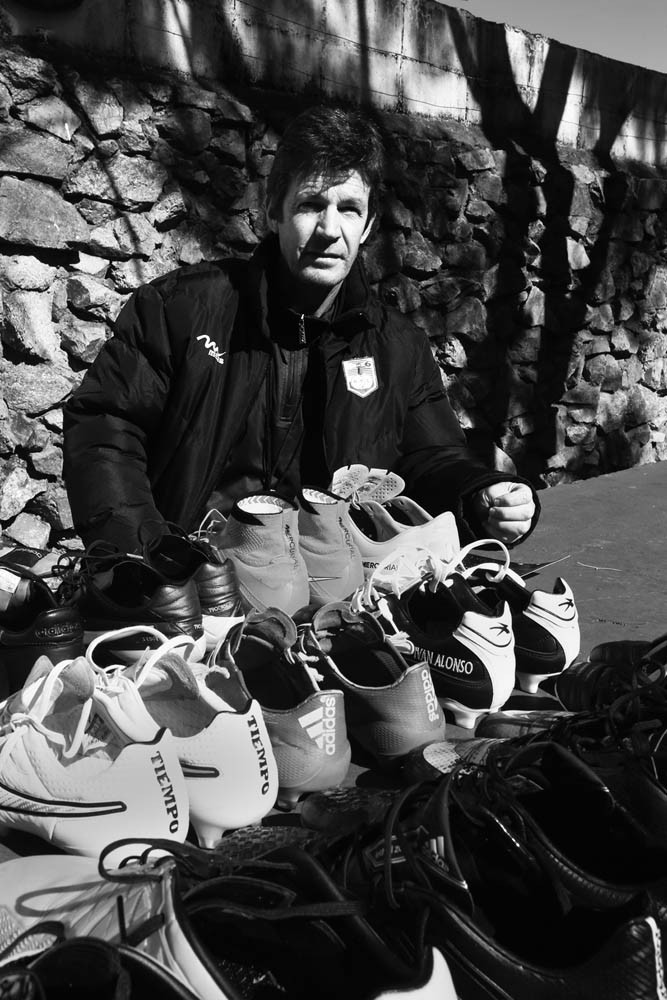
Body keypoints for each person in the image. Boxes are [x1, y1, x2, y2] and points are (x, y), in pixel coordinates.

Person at [63, 104, 538, 555]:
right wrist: (145, 555)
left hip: (331, 592)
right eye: (312, 204)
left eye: (350, 209)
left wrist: (480, 495)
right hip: (194, 583)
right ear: (275, 212)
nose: (331, 229)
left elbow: (430, 457)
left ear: (369, 224)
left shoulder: (399, 348)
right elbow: (107, 430)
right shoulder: (180, 310)